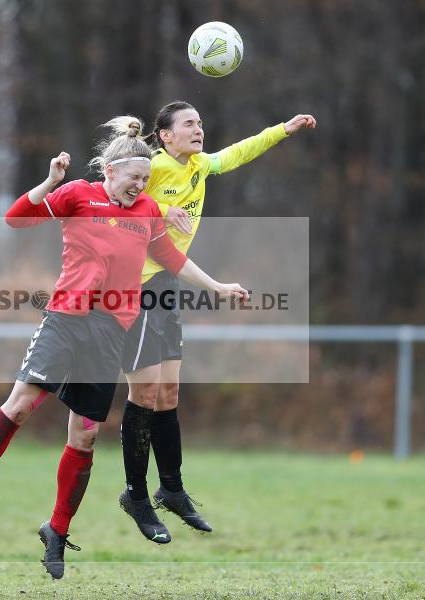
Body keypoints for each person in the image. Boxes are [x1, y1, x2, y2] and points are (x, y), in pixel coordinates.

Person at [0, 116, 248, 579]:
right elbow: (15, 219)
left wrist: (218, 286)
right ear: (108, 171)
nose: (140, 187)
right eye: (133, 178)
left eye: (146, 180)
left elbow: (172, 259)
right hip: (66, 320)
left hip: (109, 334)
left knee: (85, 435)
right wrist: (49, 182)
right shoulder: (77, 194)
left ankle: (57, 532)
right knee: (20, 406)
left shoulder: (146, 210)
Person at [118, 101, 316, 540]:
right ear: (165, 135)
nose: (199, 129)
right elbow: (113, 191)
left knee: (168, 393)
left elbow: (239, 152)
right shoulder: (151, 165)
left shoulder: (200, 166)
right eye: (189, 124)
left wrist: (283, 128)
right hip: (134, 288)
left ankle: (171, 488)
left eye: (201, 123)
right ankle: (135, 493)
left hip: (165, 285)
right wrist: (154, 208)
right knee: (144, 395)